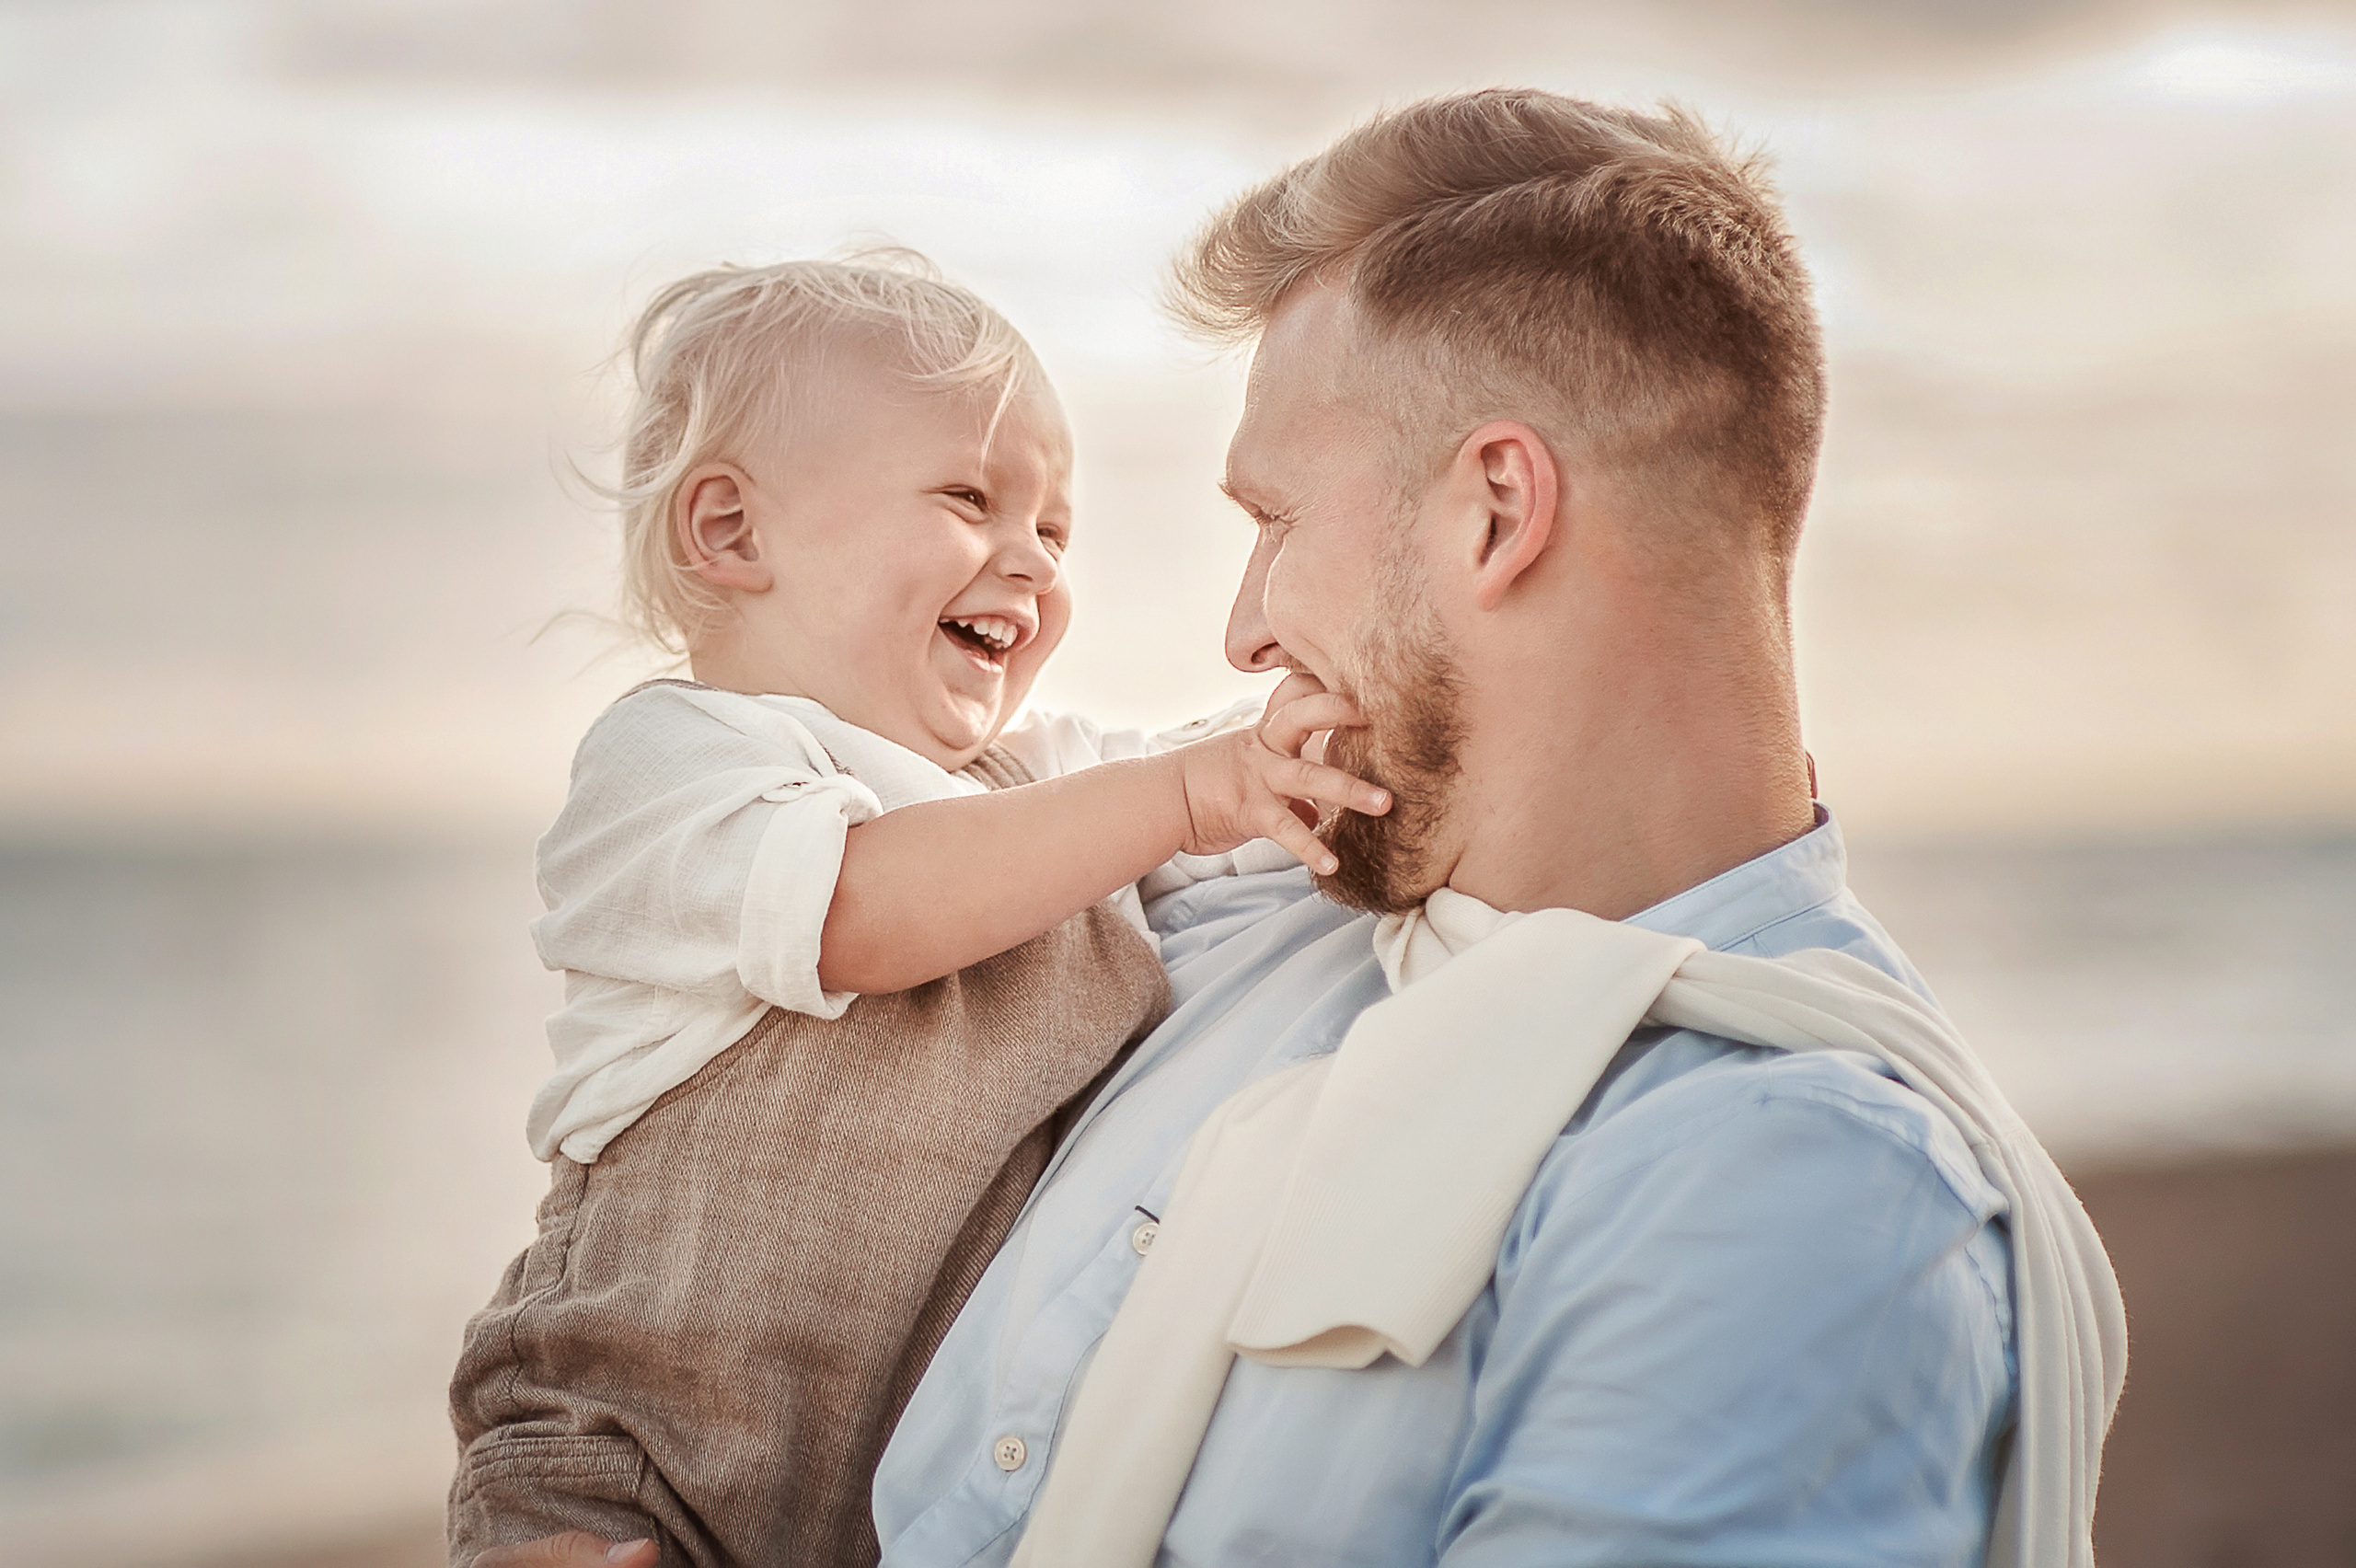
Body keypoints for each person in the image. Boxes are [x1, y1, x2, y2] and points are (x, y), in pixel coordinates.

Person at [481, 89, 2119, 1568]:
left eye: (1274, 520)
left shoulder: (1776, 1197)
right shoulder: (1238, 912)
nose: (1244, 632)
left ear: (1496, 511)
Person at [445, 255, 1390, 1568]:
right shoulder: (676, 764)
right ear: (732, 532)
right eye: (970, 499)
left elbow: (1235, 774)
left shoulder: (1046, 785)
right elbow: (859, 911)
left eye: (1055, 531)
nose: (1033, 559)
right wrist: (1188, 793)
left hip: (893, 1503)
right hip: (630, 1455)